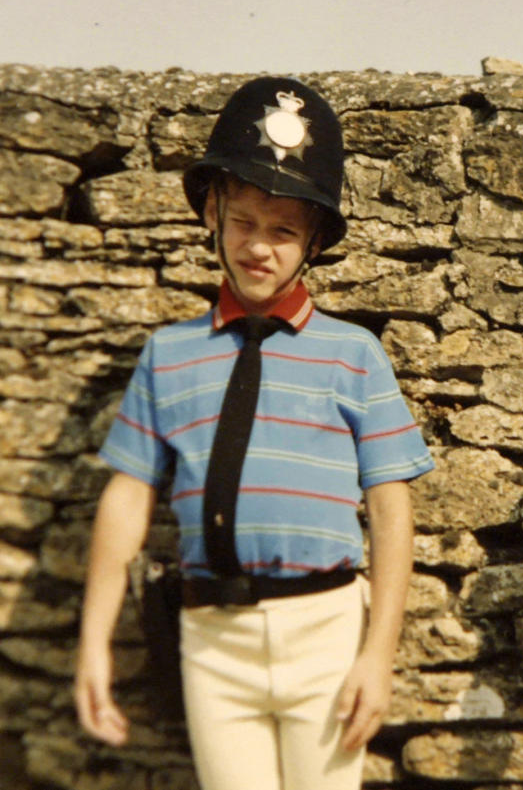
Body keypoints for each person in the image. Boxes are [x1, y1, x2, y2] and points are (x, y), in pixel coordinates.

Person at [74, 76, 434, 790]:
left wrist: (377, 654)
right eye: (243, 221)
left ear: (314, 241)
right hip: (213, 639)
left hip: (324, 632)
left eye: (283, 230)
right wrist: (92, 643)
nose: (259, 247)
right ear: (212, 211)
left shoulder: (352, 353)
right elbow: (126, 499)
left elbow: (392, 509)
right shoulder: (170, 354)